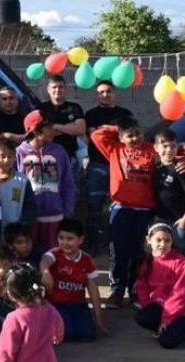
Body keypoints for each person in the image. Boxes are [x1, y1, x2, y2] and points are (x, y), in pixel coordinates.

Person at [91, 117, 156, 309]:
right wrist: (117, 127)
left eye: (137, 133)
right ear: (121, 137)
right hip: (121, 208)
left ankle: (135, 290)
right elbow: (96, 134)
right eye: (129, 135)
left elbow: (171, 150)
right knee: (118, 252)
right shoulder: (114, 149)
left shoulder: (151, 150)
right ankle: (117, 291)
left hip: (145, 210)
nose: (135, 138)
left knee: (139, 252)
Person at [83, 81, 133, 254]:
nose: (105, 95)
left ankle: (117, 244)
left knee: (120, 206)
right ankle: (93, 245)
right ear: (97, 95)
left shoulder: (125, 114)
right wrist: (116, 131)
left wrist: (105, 130)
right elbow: (93, 135)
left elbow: (129, 137)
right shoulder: (91, 114)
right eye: (101, 92)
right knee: (94, 205)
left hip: (120, 166)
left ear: (114, 93)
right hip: (97, 165)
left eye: (108, 91)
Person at [16, 110, 75, 254]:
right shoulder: (19, 153)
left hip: (55, 216)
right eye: (48, 128)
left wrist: (67, 210)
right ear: (36, 131)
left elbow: (68, 183)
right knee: (30, 256)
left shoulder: (59, 151)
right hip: (29, 218)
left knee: (54, 256)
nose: (53, 130)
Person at [39, 218, 107, 342]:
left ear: (81, 240)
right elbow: (45, 260)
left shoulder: (87, 260)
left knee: (88, 335)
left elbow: (93, 288)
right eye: (61, 238)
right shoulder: (54, 254)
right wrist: (45, 271)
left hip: (78, 304)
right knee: (67, 334)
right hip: (56, 304)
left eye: (70, 239)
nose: (65, 242)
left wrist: (98, 317)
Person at [134, 223, 185, 349]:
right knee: (142, 316)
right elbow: (142, 286)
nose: (163, 244)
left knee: (167, 342)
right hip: (162, 305)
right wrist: (148, 304)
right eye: (158, 240)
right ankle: (165, 328)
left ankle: (173, 327)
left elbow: (179, 295)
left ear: (172, 242)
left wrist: (166, 319)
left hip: (180, 309)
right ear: (149, 240)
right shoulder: (147, 261)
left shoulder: (180, 263)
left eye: (167, 240)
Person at [0, 139, 36, 229]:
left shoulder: (22, 180)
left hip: (13, 234)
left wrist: (22, 225)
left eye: (10, 156)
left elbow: (30, 206)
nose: (7, 160)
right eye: (2, 156)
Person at [37, 76, 86, 162]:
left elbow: (80, 129)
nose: (57, 90)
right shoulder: (41, 109)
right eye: (54, 87)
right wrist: (69, 127)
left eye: (60, 87)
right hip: (46, 156)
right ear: (48, 90)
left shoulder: (74, 107)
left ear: (65, 89)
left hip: (69, 156)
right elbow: (40, 134)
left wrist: (56, 126)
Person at [152, 129, 185, 249]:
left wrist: (184, 219)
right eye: (165, 146)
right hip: (159, 219)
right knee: (160, 252)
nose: (169, 150)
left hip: (179, 220)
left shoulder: (180, 168)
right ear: (156, 147)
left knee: (180, 251)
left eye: (173, 146)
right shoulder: (153, 167)